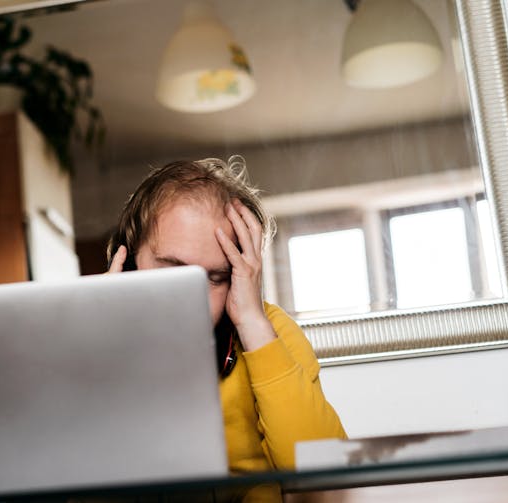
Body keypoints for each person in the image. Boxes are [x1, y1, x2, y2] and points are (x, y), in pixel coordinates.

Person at [105, 156, 347, 502]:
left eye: (216, 278)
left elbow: (329, 480)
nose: (192, 301)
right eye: (172, 270)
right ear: (129, 264)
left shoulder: (270, 332)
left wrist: (253, 327)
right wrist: (99, 345)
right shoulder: (96, 341)